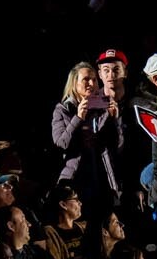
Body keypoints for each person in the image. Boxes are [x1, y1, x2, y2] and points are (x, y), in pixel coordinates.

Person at [51, 56, 127, 215]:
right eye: (86, 80)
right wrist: (78, 118)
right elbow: (61, 143)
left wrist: (115, 119)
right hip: (76, 180)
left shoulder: (102, 108)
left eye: (94, 80)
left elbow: (117, 146)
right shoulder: (62, 109)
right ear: (74, 83)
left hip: (102, 177)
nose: (92, 84)